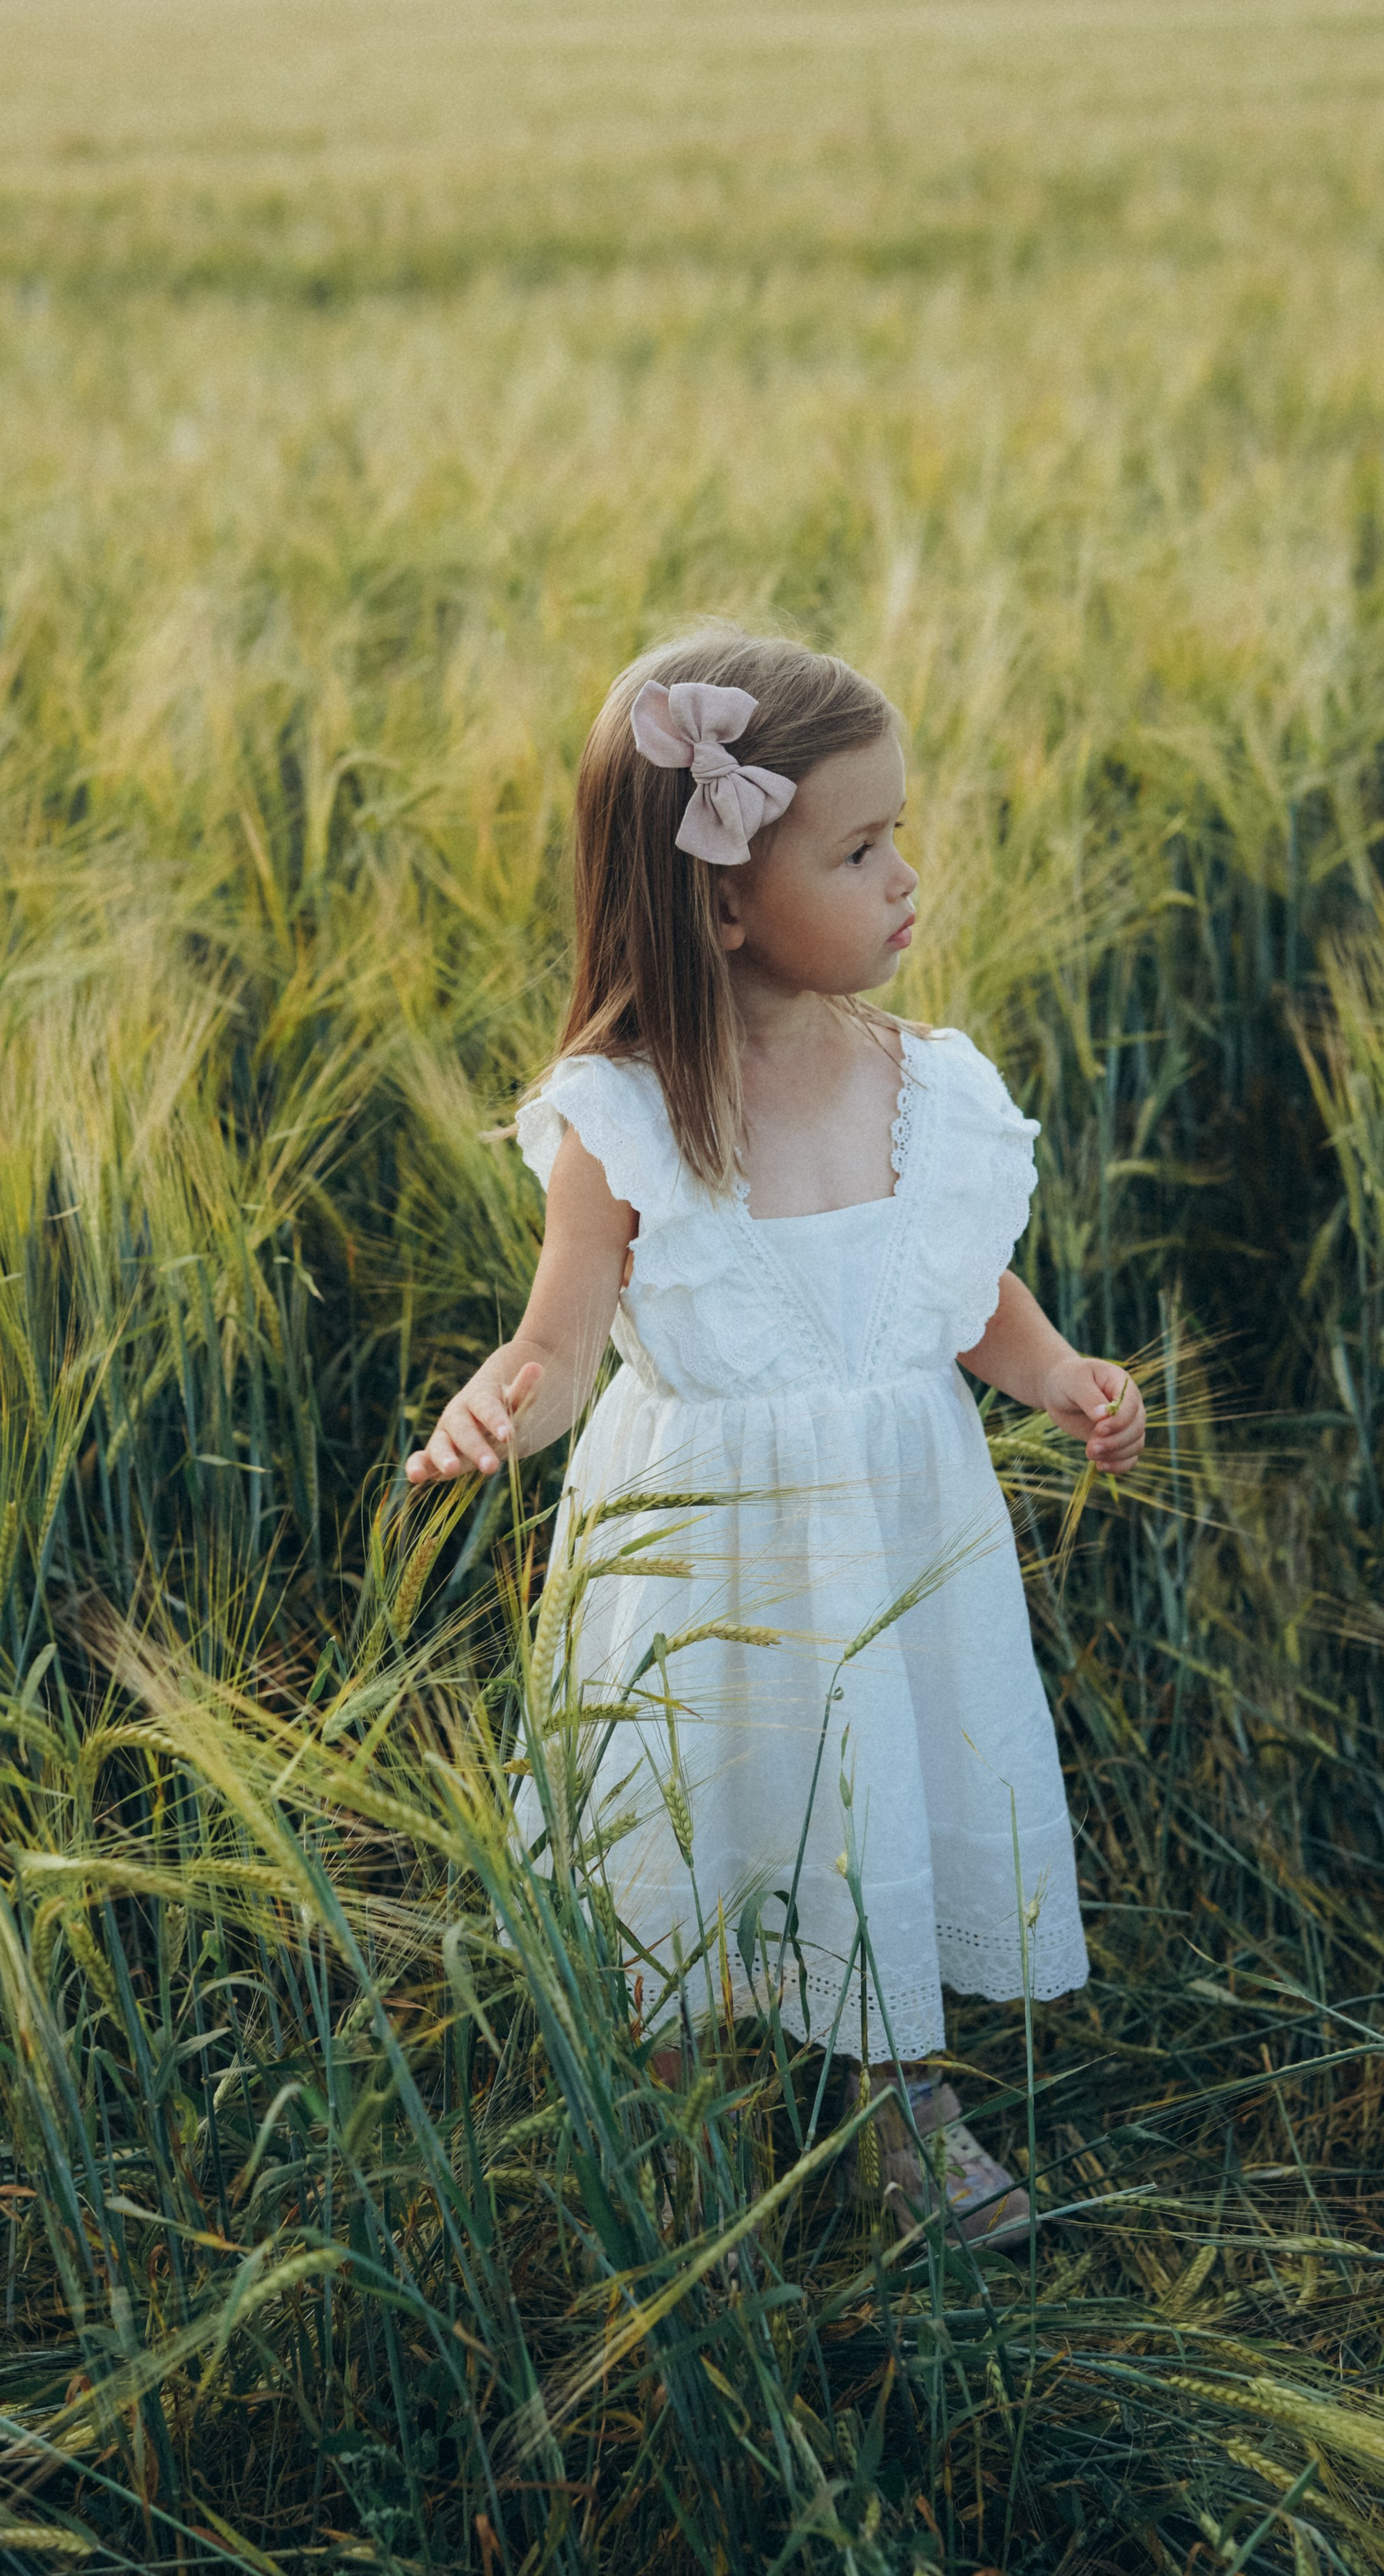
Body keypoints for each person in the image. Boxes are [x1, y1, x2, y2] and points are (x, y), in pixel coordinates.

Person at [408, 631, 1144, 2244]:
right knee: (698, 1809)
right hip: (699, 1568)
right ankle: (675, 2114)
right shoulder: (620, 1121)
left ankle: (902, 2105)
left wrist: (1057, 1372)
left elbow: (957, 1292)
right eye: (861, 848)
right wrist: (492, 1413)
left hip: (895, 1549)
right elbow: (561, 1340)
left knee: (878, 1788)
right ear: (723, 899)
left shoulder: (926, 1087)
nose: (906, 878)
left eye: (899, 837)